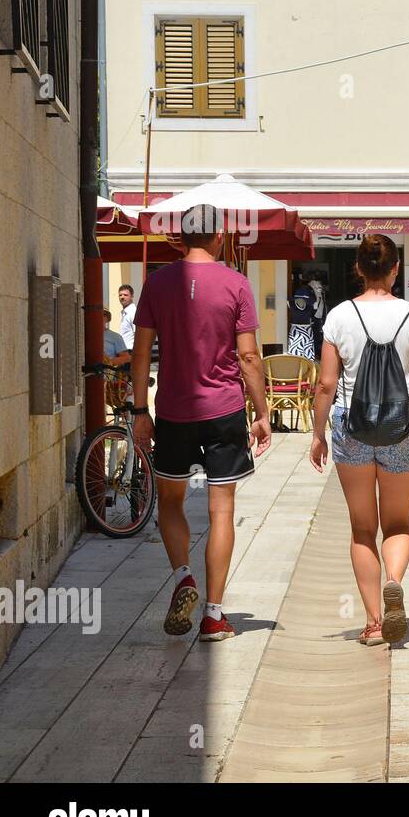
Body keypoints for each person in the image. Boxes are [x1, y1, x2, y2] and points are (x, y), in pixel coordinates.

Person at [130, 204, 272, 644]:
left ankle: (184, 578)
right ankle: (213, 615)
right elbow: (248, 357)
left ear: (179, 238)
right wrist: (263, 412)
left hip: (173, 410)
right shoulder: (236, 284)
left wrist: (139, 411)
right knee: (221, 510)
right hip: (225, 410)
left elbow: (140, 353)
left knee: (170, 503)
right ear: (218, 237)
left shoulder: (156, 283)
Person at [309, 234, 409, 646]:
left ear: (359, 269)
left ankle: (374, 623)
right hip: (402, 426)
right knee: (397, 524)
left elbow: (327, 383)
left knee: (362, 529)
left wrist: (317, 434)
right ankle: (394, 579)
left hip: (351, 427)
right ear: (396, 269)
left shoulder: (340, 316)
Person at [287, 271, 318, 359]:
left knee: (296, 352)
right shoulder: (311, 305)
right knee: (306, 352)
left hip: (297, 329)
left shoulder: (291, 304)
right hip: (305, 329)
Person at [118, 284, 137, 350]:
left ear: (132, 296)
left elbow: (138, 334)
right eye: (120, 295)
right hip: (125, 352)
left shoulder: (133, 312)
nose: (122, 297)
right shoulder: (125, 313)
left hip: (131, 352)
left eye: (125, 295)